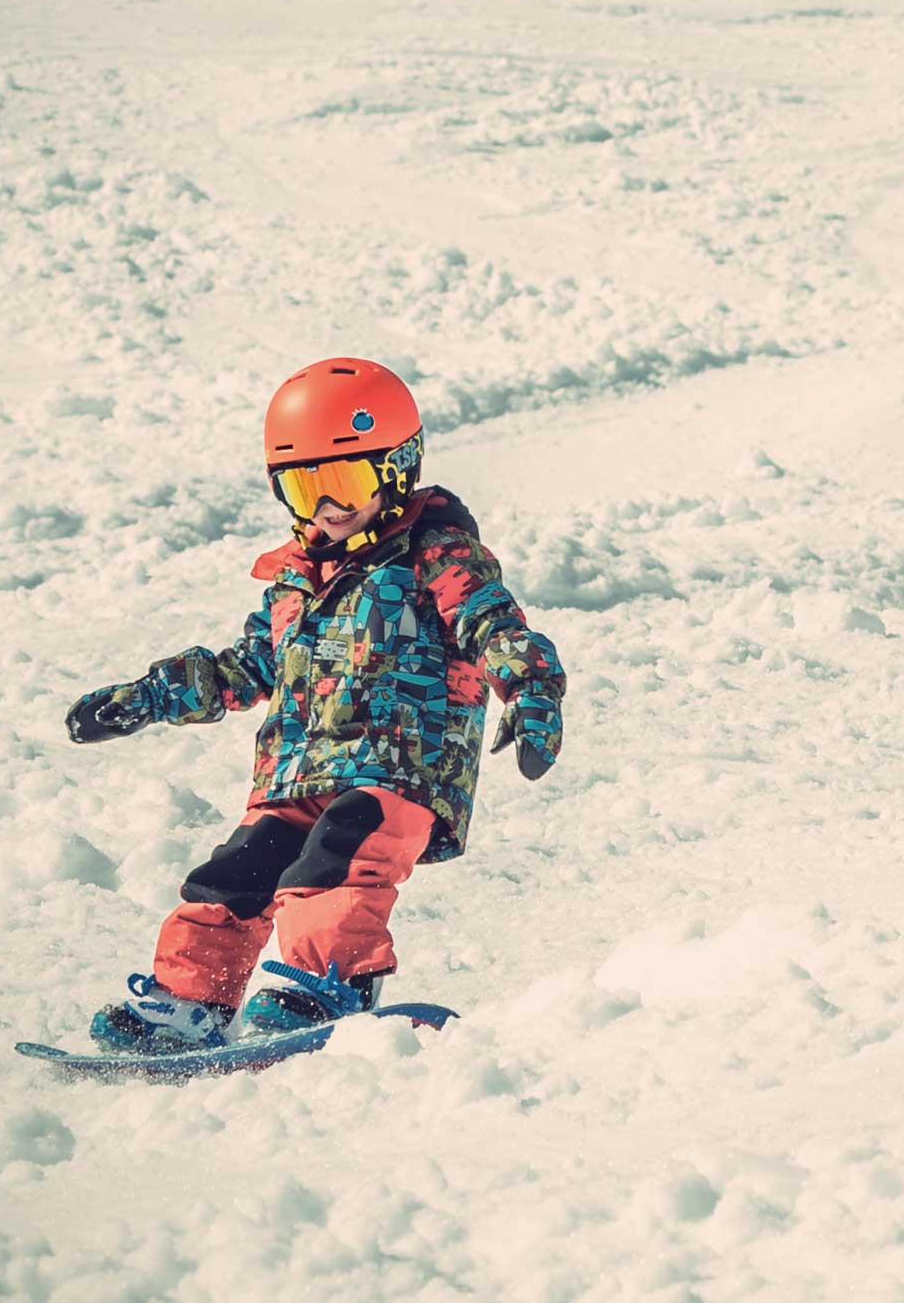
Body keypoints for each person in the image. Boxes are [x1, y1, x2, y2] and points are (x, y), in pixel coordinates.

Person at [60, 357, 565, 1052]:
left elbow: (490, 623)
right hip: (299, 771)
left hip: (401, 766)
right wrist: (147, 697)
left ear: (398, 466)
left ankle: (328, 981)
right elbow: (247, 666)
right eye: (304, 487)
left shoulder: (436, 555)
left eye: (346, 481)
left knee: (335, 860)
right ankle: (191, 999)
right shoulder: (295, 580)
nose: (328, 507)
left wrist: (532, 688)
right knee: (235, 871)